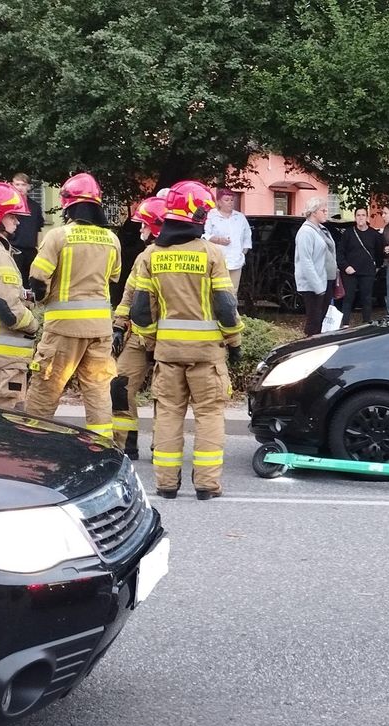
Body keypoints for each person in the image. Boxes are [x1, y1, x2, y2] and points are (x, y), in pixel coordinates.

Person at [131, 180, 244, 500]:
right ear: (195, 214)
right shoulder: (210, 253)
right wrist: (234, 342)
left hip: (167, 355)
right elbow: (225, 305)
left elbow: (140, 310)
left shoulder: (152, 255)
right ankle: (207, 484)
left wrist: (153, 343)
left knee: (167, 414)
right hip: (207, 355)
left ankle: (166, 484)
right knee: (208, 415)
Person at [25, 172, 120, 438]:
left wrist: (41, 301)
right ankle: (102, 448)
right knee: (99, 391)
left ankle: (31, 444)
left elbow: (38, 280)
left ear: (68, 204)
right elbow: (113, 277)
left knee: (45, 389)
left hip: (63, 329)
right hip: (100, 330)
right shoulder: (112, 240)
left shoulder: (58, 236)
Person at [111, 195, 167, 459]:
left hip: (169, 339)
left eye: (144, 224)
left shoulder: (175, 256)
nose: (140, 229)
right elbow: (129, 294)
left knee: (165, 395)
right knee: (120, 384)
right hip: (139, 336)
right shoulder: (144, 256)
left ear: (157, 226)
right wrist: (119, 326)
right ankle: (126, 444)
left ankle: (162, 447)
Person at [0, 182, 39, 409]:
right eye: (12, 216)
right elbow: (6, 308)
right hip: (3, 362)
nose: (17, 222)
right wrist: (33, 324)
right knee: (5, 431)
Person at [294, 197, 338, 336]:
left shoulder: (320, 229)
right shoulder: (306, 232)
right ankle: (307, 347)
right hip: (314, 285)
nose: (326, 213)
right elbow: (306, 262)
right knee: (314, 320)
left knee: (321, 320)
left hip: (325, 280)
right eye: (323, 210)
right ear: (313, 212)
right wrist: (318, 287)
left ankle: (315, 346)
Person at [337, 206, 383, 325]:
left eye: (363, 215)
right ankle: (345, 323)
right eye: (358, 215)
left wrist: (377, 266)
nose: (361, 218)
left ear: (367, 217)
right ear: (355, 217)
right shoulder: (348, 233)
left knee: (367, 298)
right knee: (348, 298)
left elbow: (379, 253)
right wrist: (345, 266)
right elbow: (340, 253)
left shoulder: (374, 234)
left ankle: (366, 323)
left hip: (367, 272)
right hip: (349, 272)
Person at [203, 188, 252, 292]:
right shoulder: (211, 215)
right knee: (217, 291)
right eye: (226, 200)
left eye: (232, 200)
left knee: (233, 291)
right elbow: (204, 234)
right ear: (219, 202)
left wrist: (243, 252)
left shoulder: (240, 217)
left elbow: (247, 236)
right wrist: (217, 240)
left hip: (236, 261)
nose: (230, 202)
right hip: (216, 261)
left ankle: (232, 308)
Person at [8, 173, 45, 288]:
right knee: (15, 282)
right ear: (12, 185)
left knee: (31, 281)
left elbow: (38, 229)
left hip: (31, 251)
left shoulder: (35, 207)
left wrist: (40, 249)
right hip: (14, 249)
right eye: (17, 184)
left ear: (28, 186)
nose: (20, 187)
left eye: (23, 184)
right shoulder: (8, 206)